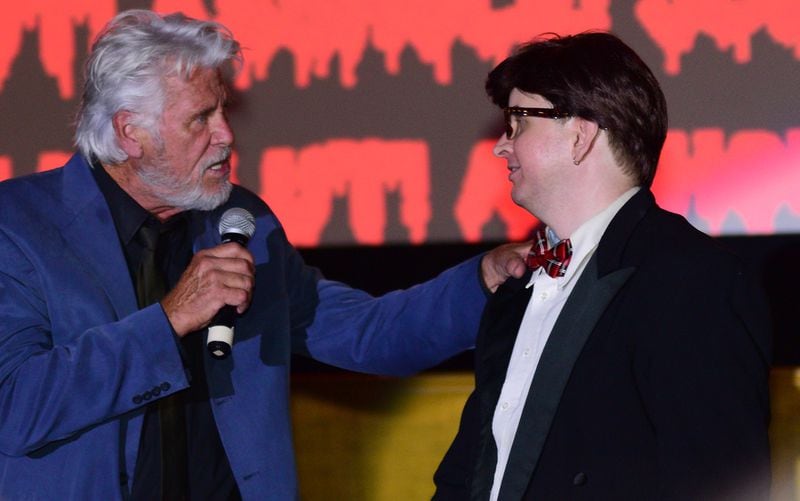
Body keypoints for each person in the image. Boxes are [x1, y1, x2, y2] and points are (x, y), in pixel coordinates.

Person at [0, 10, 528, 500]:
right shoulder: (18, 226)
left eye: (223, 110)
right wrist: (171, 319)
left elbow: (368, 334)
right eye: (199, 120)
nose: (226, 136)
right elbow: (15, 408)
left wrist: (480, 279)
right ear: (130, 132)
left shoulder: (241, 222)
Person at [433, 32, 772, 500]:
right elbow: (472, 471)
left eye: (517, 124)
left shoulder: (691, 280)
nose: (500, 146)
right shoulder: (517, 287)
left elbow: (720, 483)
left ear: (579, 134)